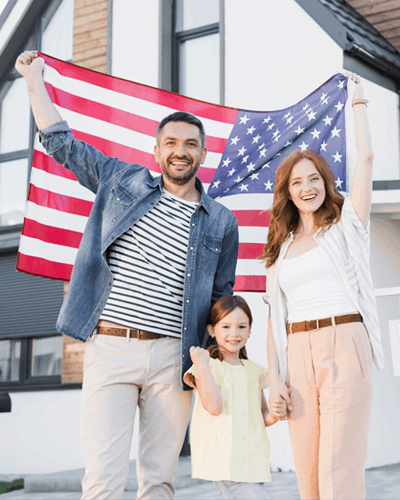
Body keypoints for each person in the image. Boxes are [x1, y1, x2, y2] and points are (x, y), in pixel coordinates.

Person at [15, 51, 239, 500]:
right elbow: (64, 145)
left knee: (159, 480)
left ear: (203, 153)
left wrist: (222, 363)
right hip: (111, 347)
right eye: (171, 142)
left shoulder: (221, 221)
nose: (181, 151)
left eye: (190, 144)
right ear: (156, 151)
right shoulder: (122, 180)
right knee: (102, 478)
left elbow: (222, 299)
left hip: (174, 359)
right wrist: (33, 81)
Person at [260, 72, 383, 500]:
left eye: (314, 178)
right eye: (297, 182)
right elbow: (276, 318)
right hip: (297, 354)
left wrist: (359, 103)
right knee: (309, 473)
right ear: (287, 193)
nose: (307, 187)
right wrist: (274, 378)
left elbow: (365, 158)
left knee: (338, 467)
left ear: (325, 182)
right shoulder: (282, 247)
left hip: (344, 341)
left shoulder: (347, 226)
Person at [184, 295, 286, 500]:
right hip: (228, 461)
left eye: (241, 327)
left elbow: (262, 417)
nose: (234, 334)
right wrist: (202, 365)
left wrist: (275, 413)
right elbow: (214, 407)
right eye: (226, 327)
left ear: (249, 330)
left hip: (254, 460)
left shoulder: (253, 371)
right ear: (212, 329)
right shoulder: (209, 367)